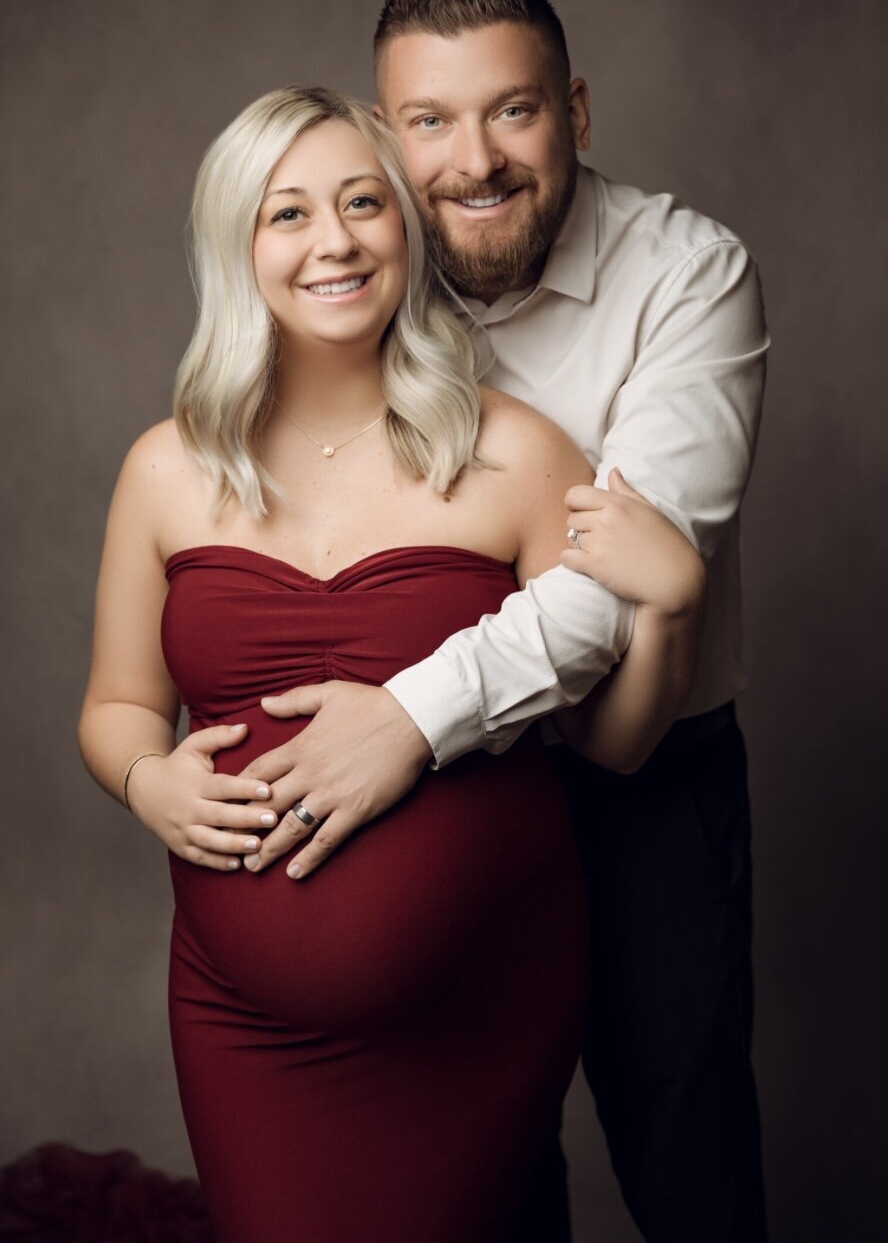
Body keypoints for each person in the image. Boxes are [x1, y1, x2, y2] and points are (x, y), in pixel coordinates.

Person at [78, 85, 706, 1243]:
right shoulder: (164, 470)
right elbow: (117, 705)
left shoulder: (514, 450)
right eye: (289, 213)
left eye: (364, 202)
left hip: (481, 998)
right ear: (238, 244)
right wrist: (147, 780)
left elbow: (613, 745)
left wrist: (668, 605)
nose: (336, 241)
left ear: (403, 230)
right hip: (237, 1016)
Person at [238, 0, 770, 1242]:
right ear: (384, 132)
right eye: (428, 121)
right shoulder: (360, 265)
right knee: (478, 1185)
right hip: (449, 798)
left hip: (645, 776)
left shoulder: (689, 274)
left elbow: (605, 604)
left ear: (575, 114)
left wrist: (406, 715)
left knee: (692, 1164)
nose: (471, 161)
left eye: (513, 111)